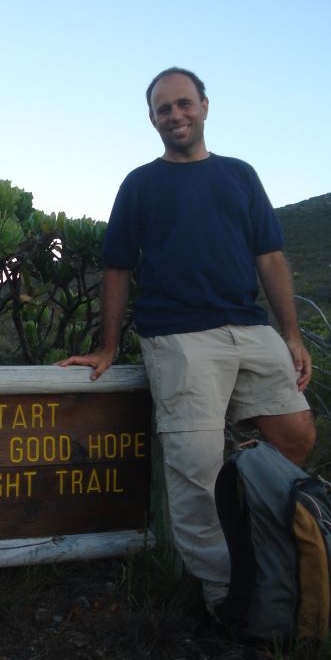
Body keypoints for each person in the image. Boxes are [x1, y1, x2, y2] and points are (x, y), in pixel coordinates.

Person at [58, 67, 316, 614]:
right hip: (179, 338)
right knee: (196, 469)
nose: (175, 115)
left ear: (204, 105)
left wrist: (290, 333)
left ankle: (268, 553)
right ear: (151, 120)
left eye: (183, 104)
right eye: (162, 110)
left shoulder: (240, 176)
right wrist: (109, 346)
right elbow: (117, 267)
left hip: (250, 328)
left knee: (296, 434)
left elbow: (269, 256)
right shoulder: (141, 184)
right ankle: (226, 598)